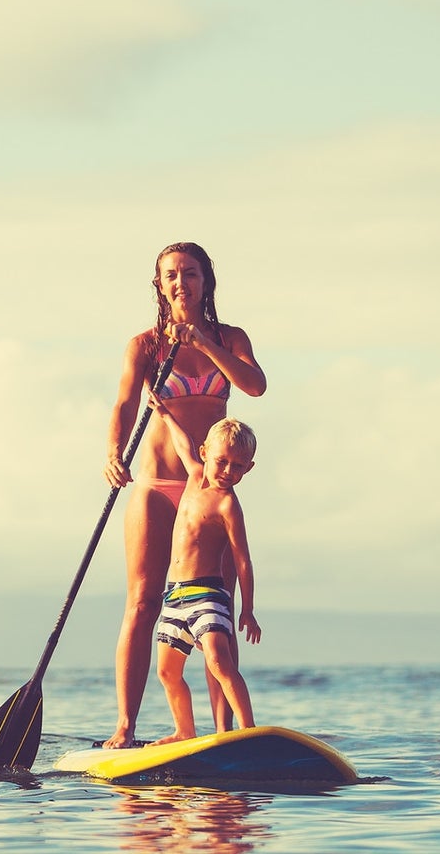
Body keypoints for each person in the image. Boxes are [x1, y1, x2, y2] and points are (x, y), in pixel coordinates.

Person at [102, 241, 266, 748]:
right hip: (157, 485)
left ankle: (224, 737)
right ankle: (125, 728)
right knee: (143, 601)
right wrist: (113, 452)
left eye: (190, 274)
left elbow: (255, 385)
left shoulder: (231, 337)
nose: (180, 283)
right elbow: (126, 404)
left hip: (208, 491)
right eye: (170, 275)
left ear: (205, 281)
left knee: (218, 607)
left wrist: (206, 343)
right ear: (159, 284)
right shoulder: (146, 346)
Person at [149, 416, 261, 743]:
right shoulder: (194, 476)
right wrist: (165, 414)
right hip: (174, 597)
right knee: (167, 672)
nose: (228, 471)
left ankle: (248, 731)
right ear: (205, 454)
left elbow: (242, 559)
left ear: (249, 468)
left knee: (218, 660)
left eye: (237, 467)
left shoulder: (227, 504)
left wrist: (248, 609)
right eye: (222, 462)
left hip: (208, 595)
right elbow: (183, 444)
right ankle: (184, 730)